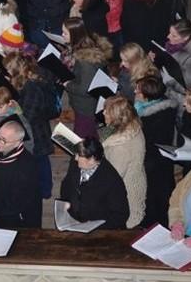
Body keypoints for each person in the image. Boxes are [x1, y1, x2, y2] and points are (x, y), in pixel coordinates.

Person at [3, 52, 59, 199]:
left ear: (15, 70)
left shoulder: (32, 88)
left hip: (37, 132)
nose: (6, 73)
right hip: (34, 129)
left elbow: (28, 116)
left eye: (8, 70)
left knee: (41, 161)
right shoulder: (24, 82)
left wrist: (13, 109)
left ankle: (45, 190)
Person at [0, 120, 42, 228]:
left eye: (4, 140)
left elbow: (17, 203)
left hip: (14, 220)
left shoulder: (27, 166)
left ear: (18, 142)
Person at [134, 76, 178, 227]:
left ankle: (155, 223)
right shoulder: (161, 107)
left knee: (155, 194)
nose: (135, 92)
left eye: (138, 90)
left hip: (154, 160)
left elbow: (147, 140)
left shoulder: (152, 117)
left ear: (147, 95)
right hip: (159, 159)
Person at [59, 138, 130, 229]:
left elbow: (121, 215)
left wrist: (93, 225)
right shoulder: (75, 164)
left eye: (79, 155)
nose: (75, 158)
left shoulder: (112, 180)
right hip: (75, 224)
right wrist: (66, 203)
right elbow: (66, 185)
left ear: (92, 159)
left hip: (101, 232)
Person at [62, 17, 113, 138]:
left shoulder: (85, 61)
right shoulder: (84, 48)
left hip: (86, 107)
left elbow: (85, 89)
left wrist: (67, 84)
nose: (62, 35)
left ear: (74, 34)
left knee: (82, 139)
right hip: (85, 106)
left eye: (65, 33)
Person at [100, 96, 147, 228]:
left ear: (117, 116)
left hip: (125, 196)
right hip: (136, 182)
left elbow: (112, 178)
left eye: (107, 111)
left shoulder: (120, 146)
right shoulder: (133, 126)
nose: (103, 113)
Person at [161, 19, 191, 100]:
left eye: (174, 35)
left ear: (186, 37)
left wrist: (168, 81)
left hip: (182, 103)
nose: (168, 36)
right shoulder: (172, 47)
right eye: (169, 33)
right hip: (169, 95)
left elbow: (190, 91)